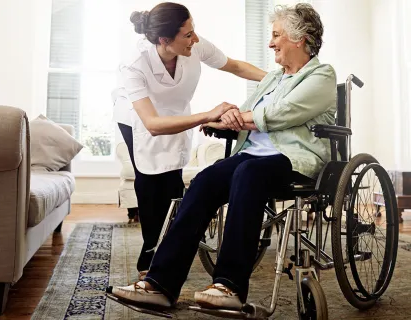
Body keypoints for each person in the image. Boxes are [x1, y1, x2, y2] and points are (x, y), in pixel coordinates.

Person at [108, 3, 336, 311]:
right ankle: (159, 283)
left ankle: (229, 285)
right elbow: (244, 115)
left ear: (298, 39)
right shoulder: (273, 78)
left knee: (249, 174)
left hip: (293, 160)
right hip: (252, 156)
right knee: (205, 180)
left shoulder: (321, 75)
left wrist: (230, 116)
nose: (270, 43)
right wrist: (217, 118)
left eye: (276, 36)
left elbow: (278, 114)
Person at [112, 2, 267, 280]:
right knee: (149, 182)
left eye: (194, 31)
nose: (194, 39)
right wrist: (207, 115)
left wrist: (279, 80)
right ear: (164, 40)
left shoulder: (195, 45)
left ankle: (167, 249)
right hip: (138, 117)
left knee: (172, 180)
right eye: (187, 34)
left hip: (175, 112)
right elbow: (153, 125)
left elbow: (234, 66)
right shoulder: (134, 65)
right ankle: (150, 256)